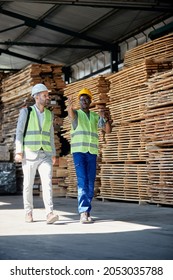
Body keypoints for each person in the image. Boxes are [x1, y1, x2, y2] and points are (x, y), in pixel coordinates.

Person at [15, 83, 59, 224]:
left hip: (45, 154)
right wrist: (19, 151)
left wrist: (53, 153)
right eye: (45, 95)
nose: (47, 98)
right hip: (29, 153)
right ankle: (28, 212)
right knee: (28, 184)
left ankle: (49, 213)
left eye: (47, 95)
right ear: (36, 97)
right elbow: (19, 133)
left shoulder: (49, 114)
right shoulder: (26, 112)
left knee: (47, 183)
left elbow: (51, 135)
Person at [67, 87, 112, 223]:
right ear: (79, 102)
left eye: (86, 99)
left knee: (90, 182)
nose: (84, 101)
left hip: (91, 153)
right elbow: (70, 114)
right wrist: (69, 106)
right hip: (79, 152)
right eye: (81, 99)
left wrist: (105, 118)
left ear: (90, 101)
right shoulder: (76, 114)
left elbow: (107, 130)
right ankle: (83, 212)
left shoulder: (94, 116)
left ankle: (87, 211)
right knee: (82, 181)